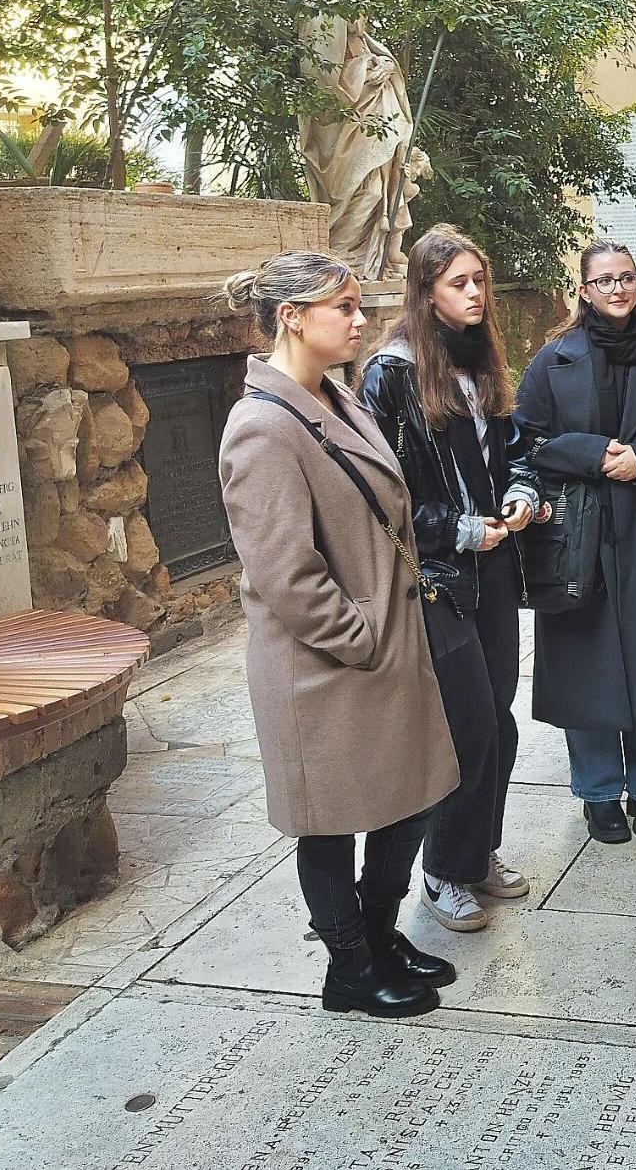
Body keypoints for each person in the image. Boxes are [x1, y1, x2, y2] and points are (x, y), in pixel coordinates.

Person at [216, 250, 461, 1019]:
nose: (361, 321)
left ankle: (379, 934)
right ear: (291, 317)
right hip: (324, 662)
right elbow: (285, 572)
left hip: (382, 644)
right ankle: (349, 965)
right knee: (329, 821)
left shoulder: (334, 397)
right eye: (344, 308)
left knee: (408, 796)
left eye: (359, 306)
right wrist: (360, 636)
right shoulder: (261, 427)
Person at [359, 226, 540, 934]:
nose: (474, 293)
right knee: (465, 721)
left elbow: (516, 441)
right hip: (435, 574)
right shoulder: (392, 372)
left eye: (479, 280)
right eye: (459, 283)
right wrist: (459, 527)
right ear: (426, 293)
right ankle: (441, 869)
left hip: (495, 565)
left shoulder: (482, 358)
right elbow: (384, 491)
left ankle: (477, 851)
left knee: (498, 717)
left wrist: (521, 492)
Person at [515, 240, 636, 842]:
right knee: (587, 662)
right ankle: (599, 792)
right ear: (584, 290)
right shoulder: (553, 362)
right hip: (577, 529)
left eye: (627, 278)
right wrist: (597, 455)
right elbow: (527, 440)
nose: (618, 289)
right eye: (604, 281)